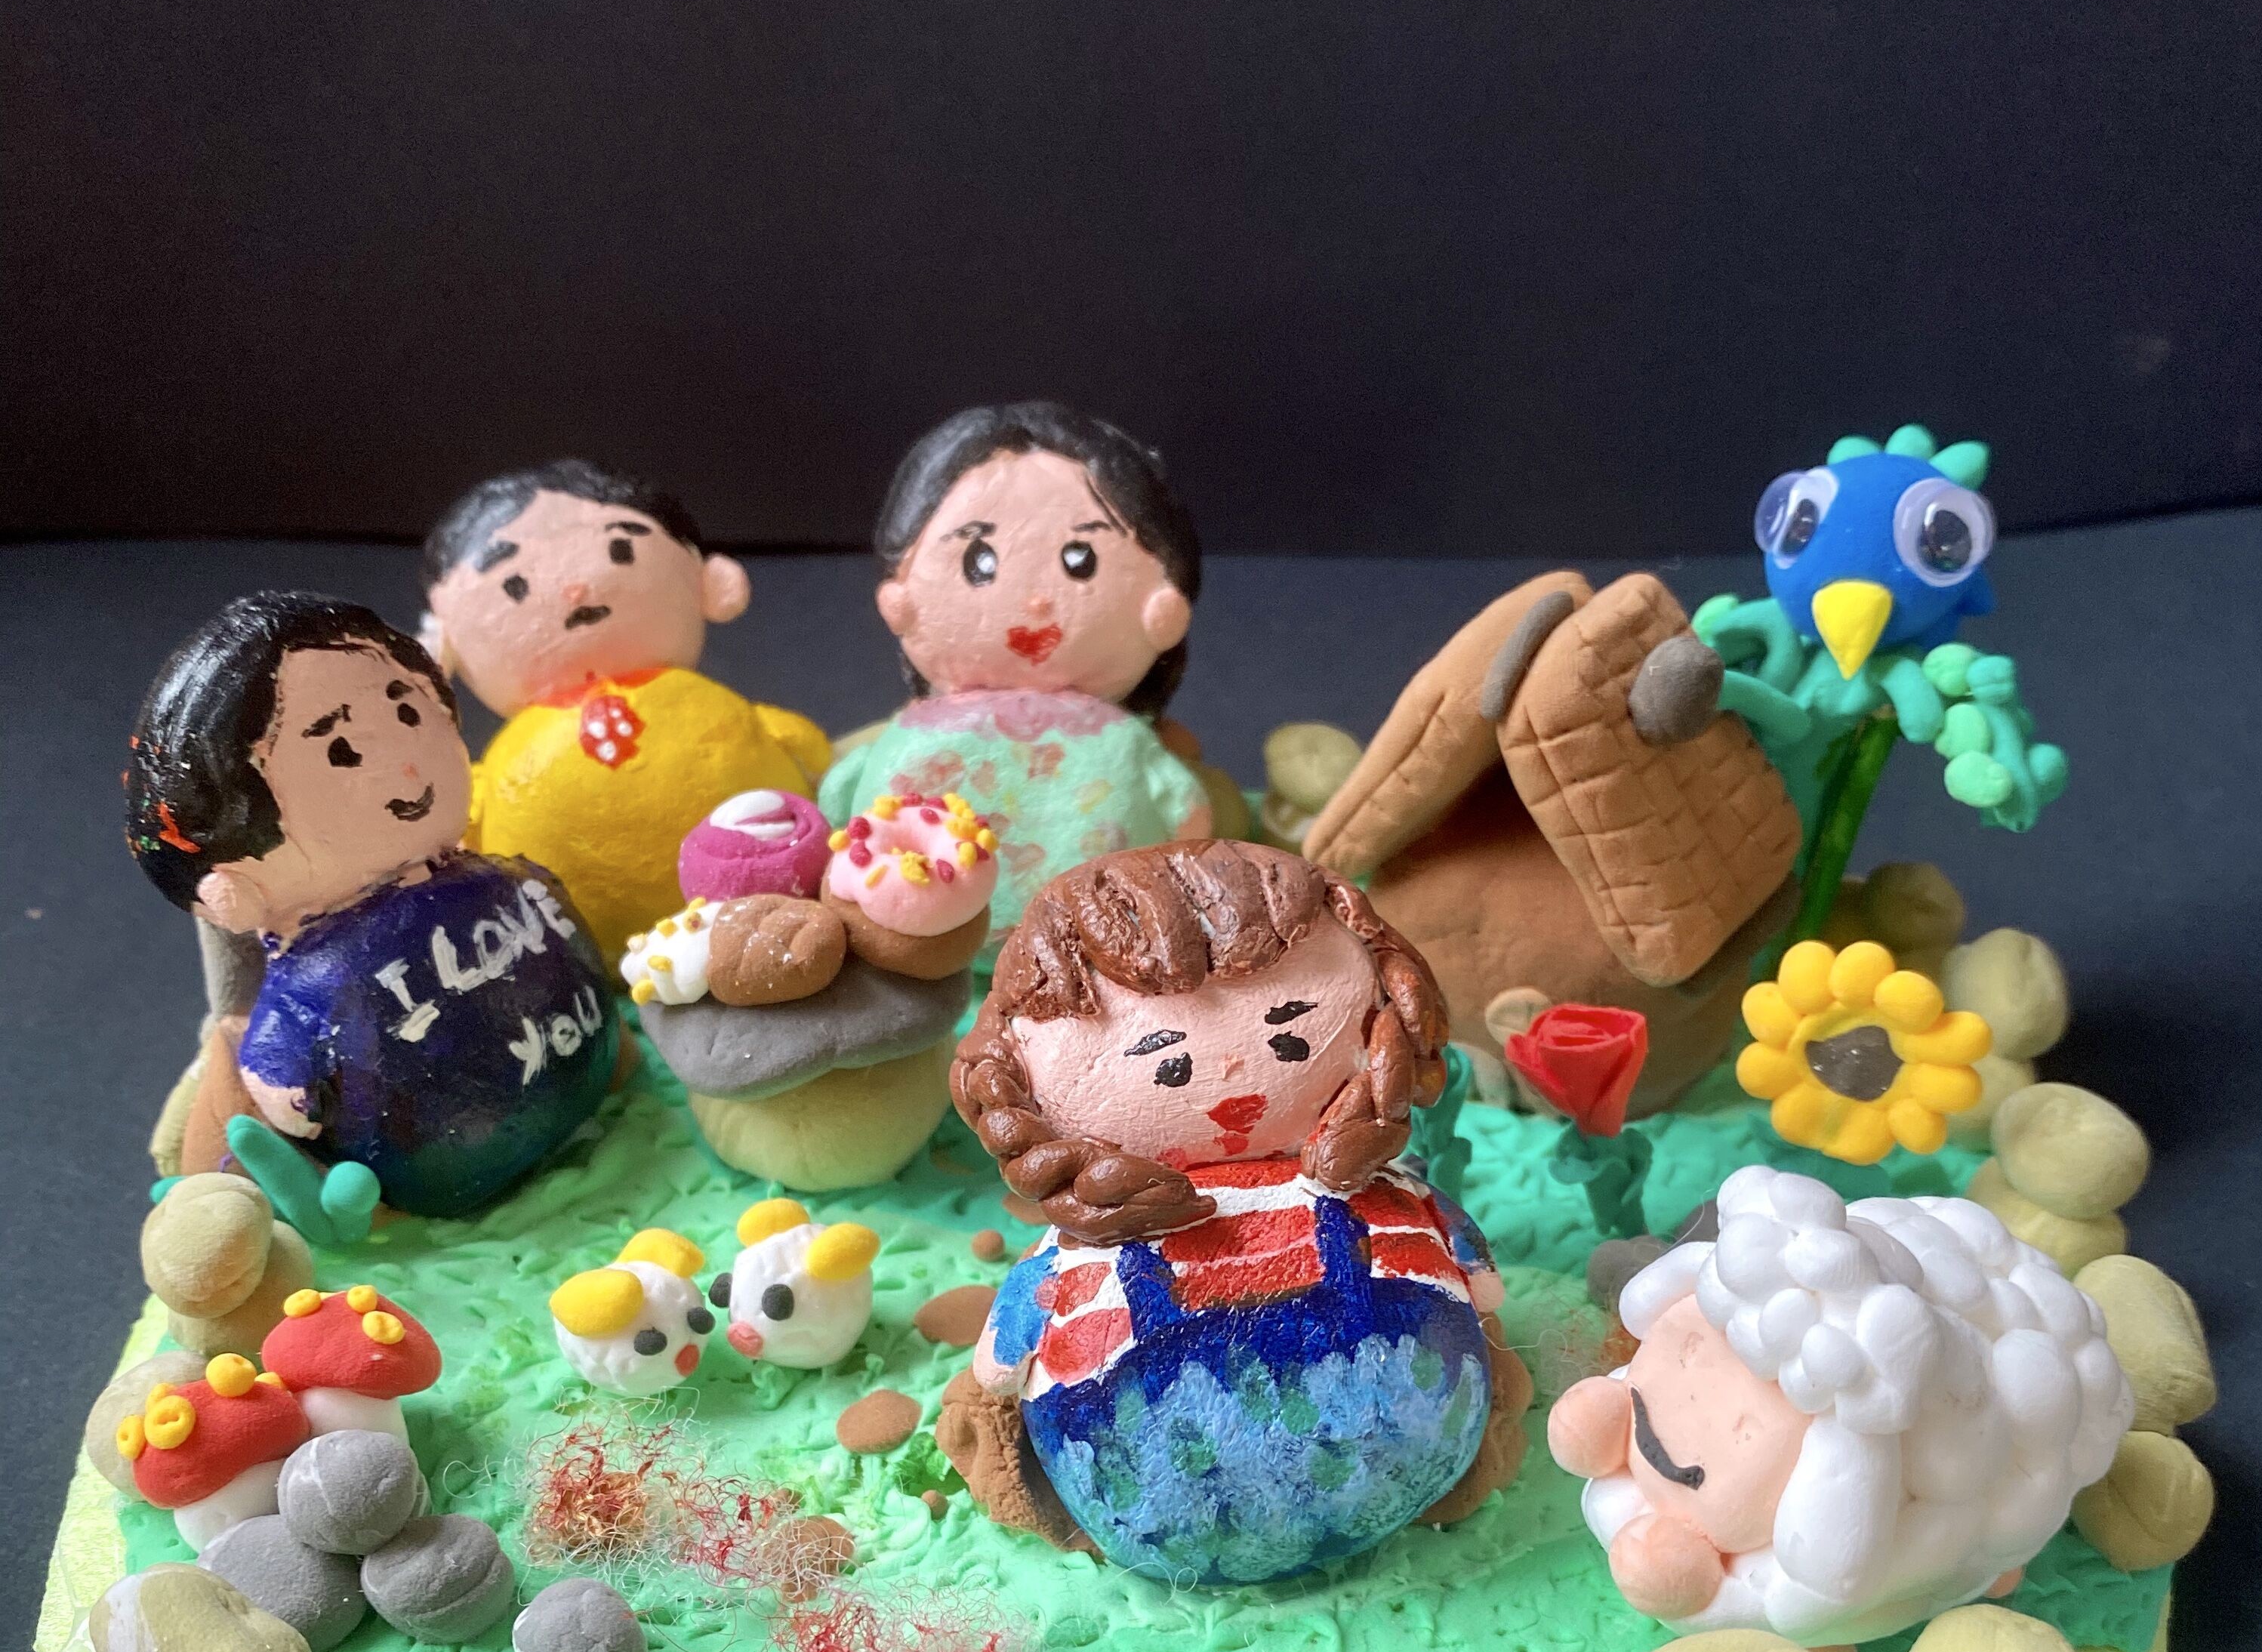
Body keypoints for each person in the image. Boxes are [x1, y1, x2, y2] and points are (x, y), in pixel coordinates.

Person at [941, 843, 1530, 1586]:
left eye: (1292, 1035)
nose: (1229, 1080)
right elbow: (1003, 1361)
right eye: (1168, 1064)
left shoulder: (1386, 1199)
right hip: (1151, 1491)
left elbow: (999, 1366)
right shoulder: (1084, 1252)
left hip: (1408, 1440)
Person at [126, 593, 616, 1216]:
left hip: (583, 1082)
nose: (406, 767)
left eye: (407, 711)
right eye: (342, 749)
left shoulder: (493, 879)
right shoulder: (317, 970)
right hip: (435, 1173)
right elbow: (287, 1082)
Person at [818, 404, 1214, 940]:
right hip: (928, 946)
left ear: (1164, 608)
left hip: (1084, 950)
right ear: (899, 598)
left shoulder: (1125, 743)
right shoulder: (1125, 747)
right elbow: (1188, 815)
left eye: (1081, 560)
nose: (1035, 602)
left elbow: (837, 797)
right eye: (978, 561)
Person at [420, 459, 831, 963]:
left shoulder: (711, 707)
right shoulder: (497, 767)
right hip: (577, 966)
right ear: (442, 648)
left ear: (711, 583)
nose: (574, 588)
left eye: (619, 550)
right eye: (515, 582)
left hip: (770, 934)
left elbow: (811, 754)